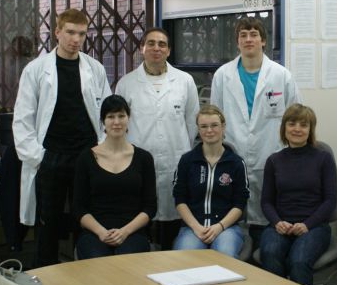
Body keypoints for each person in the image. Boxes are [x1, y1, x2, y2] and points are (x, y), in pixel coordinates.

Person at [13, 8, 111, 267]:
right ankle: (46, 273)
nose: (75, 39)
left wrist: (101, 149)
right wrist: (39, 157)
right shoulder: (36, 70)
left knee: (86, 220)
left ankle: (85, 274)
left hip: (86, 156)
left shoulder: (95, 69)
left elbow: (107, 115)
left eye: (81, 33)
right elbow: (22, 120)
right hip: (51, 158)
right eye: (70, 32)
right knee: (49, 223)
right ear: (57, 32)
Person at [210, 17, 300, 249]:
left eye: (253, 34)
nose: (248, 39)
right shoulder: (223, 75)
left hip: (270, 152)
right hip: (232, 154)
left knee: (265, 220)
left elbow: (295, 118)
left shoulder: (281, 75)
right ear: (237, 42)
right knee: (233, 219)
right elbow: (215, 117)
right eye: (243, 35)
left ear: (263, 41)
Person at [114, 27, 199, 250]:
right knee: (142, 216)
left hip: (175, 158)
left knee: (173, 215)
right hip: (138, 163)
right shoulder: (127, 83)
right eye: (150, 43)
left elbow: (192, 122)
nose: (156, 48)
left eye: (162, 44)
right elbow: (119, 124)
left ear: (169, 50)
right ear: (142, 49)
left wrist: (182, 148)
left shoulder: (185, 81)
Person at [259, 104, 337, 285]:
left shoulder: (323, 158)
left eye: (303, 125)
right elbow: (266, 202)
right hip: (281, 225)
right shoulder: (274, 160)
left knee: (299, 261)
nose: (297, 129)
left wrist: (307, 224)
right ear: (284, 128)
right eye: (292, 123)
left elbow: (330, 201)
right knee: (269, 254)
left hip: (314, 227)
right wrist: (277, 222)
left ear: (310, 130)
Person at [73, 95, 156, 259]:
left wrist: (124, 232)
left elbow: (150, 208)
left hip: (133, 232)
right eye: (110, 117)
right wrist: (101, 232)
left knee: (127, 262)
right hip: (95, 233)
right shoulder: (85, 158)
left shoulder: (144, 158)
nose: (116, 122)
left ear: (128, 118)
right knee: (99, 264)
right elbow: (79, 209)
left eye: (121, 116)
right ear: (103, 121)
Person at [172, 105, 249, 258]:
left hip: (227, 227)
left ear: (223, 127)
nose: (209, 130)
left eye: (214, 125)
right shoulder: (187, 161)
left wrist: (219, 227)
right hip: (193, 227)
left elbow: (240, 204)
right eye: (204, 126)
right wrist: (196, 227)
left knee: (224, 257)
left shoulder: (236, 163)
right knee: (185, 259)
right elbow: (179, 199)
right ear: (198, 130)